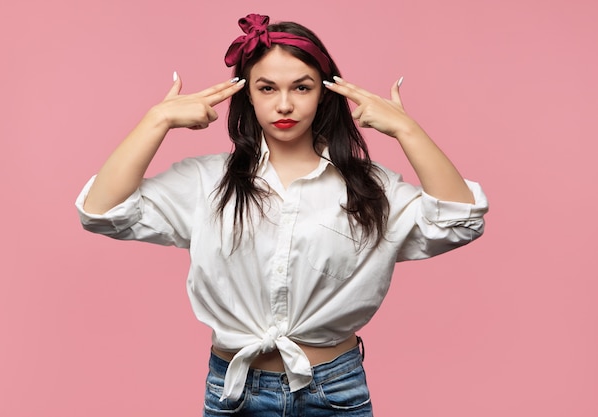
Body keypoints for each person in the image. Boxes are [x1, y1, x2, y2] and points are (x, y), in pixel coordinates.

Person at [76, 13, 488, 416]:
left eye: (302, 87)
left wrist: (407, 130)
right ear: (247, 94)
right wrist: (157, 120)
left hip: (335, 390)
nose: (285, 104)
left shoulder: (370, 186)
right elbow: (101, 210)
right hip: (233, 393)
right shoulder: (205, 181)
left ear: (324, 92)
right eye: (268, 88)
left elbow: (459, 220)